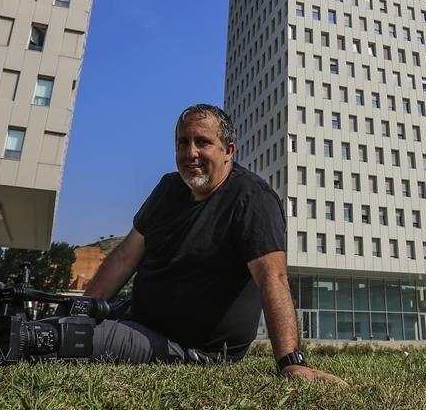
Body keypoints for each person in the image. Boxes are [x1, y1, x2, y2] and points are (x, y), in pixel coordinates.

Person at [72, 104, 345, 384]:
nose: (191, 153)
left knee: (63, 338)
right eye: (183, 143)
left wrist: (290, 361)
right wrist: (79, 310)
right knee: (63, 323)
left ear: (228, 151)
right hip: (137, 316)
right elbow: (123, 259)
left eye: (202, 142)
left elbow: (272, 277)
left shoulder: (252, 199)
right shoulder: (168, 188)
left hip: (193, 347)